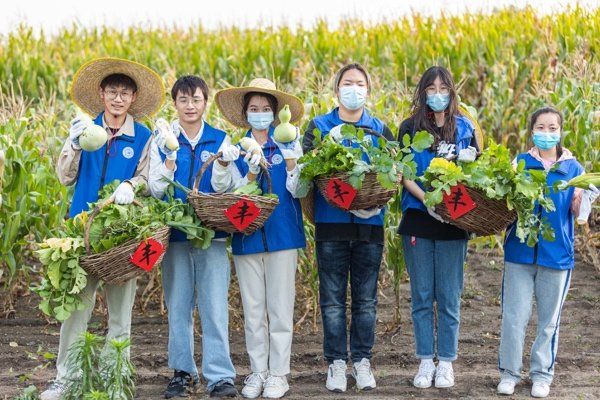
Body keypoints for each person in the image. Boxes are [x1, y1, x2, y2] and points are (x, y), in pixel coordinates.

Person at [41, 57, 165, 400]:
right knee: (76, 309)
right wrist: (75, 144)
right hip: (80, 233)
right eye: (113, 91)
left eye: (125, 93)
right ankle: (67, 379)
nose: (118, 98)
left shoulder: (143, 136)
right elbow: (65, 177)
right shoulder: (86, 130)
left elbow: (146, 177)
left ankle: (115, 379)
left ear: (134, 98)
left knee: (121, 312)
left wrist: (131, 185)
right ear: (102, 93)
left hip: (122, 235)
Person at [301, 63, 394, 393]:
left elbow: (392, 174)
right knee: (332, 300)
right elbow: (308, 170)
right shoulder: (319, 127)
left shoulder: (380, 129)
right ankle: (337, 363)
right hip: (331, 224)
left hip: (370, 226)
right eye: (347, 83)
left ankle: (363, 361)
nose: (353, 89)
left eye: (360, 84)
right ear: (336, 89)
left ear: (368, 91)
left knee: (366, 301)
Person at [211, 78, 306, 399]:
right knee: (253, 310)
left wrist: (293, 160)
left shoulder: (289, 143)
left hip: (283, 236)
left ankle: (279, 374)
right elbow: (226, 192)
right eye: (254, 109)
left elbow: (300, 191)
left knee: (280, 310)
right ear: (246, 114)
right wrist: (246, 170)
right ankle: (257, 372)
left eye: (267, 109)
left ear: (277, 115)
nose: (261, 114)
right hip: (246, 237)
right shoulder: (235, 148)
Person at [497, 107, 599, 398]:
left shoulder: (574, 170)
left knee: (549, 321)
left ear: (560, 131)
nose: (546, 133)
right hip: (519, 252)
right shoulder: (520, 163)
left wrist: (585, 198)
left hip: (557, 256)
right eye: (541, 128)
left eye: (552, 128)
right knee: (513, 317)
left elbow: (579, 214)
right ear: (532, 131)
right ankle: (509, 373)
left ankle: (542, 374)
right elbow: (505, 204)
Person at [148, 75, 239, 398]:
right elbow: (156, 188)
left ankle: (220, 376)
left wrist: (225, 164)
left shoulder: (219, 139)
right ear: (175, 104)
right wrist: (169, 162)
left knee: (215, 307)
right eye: (183, 100)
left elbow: (228, 189)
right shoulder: (161, 140)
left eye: (196, 99)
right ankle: (183, 373)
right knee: (179, 305)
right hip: (174, 237)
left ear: (205, 102)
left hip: (211, 236)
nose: (190, 106)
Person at [398, 66, 478, 390]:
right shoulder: (409, 127)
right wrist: (427, 198)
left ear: (452, 92)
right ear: (422, 93)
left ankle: (445, 362)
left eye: (443, 88)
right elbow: (402, 172)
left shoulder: (465, 128)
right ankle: (424, 361)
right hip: (418, 216)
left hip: (453, 220)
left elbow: (475, 176)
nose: (437, 94)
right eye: (430, 89)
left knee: (449, 296)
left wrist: (469, 168)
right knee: (421, 295)